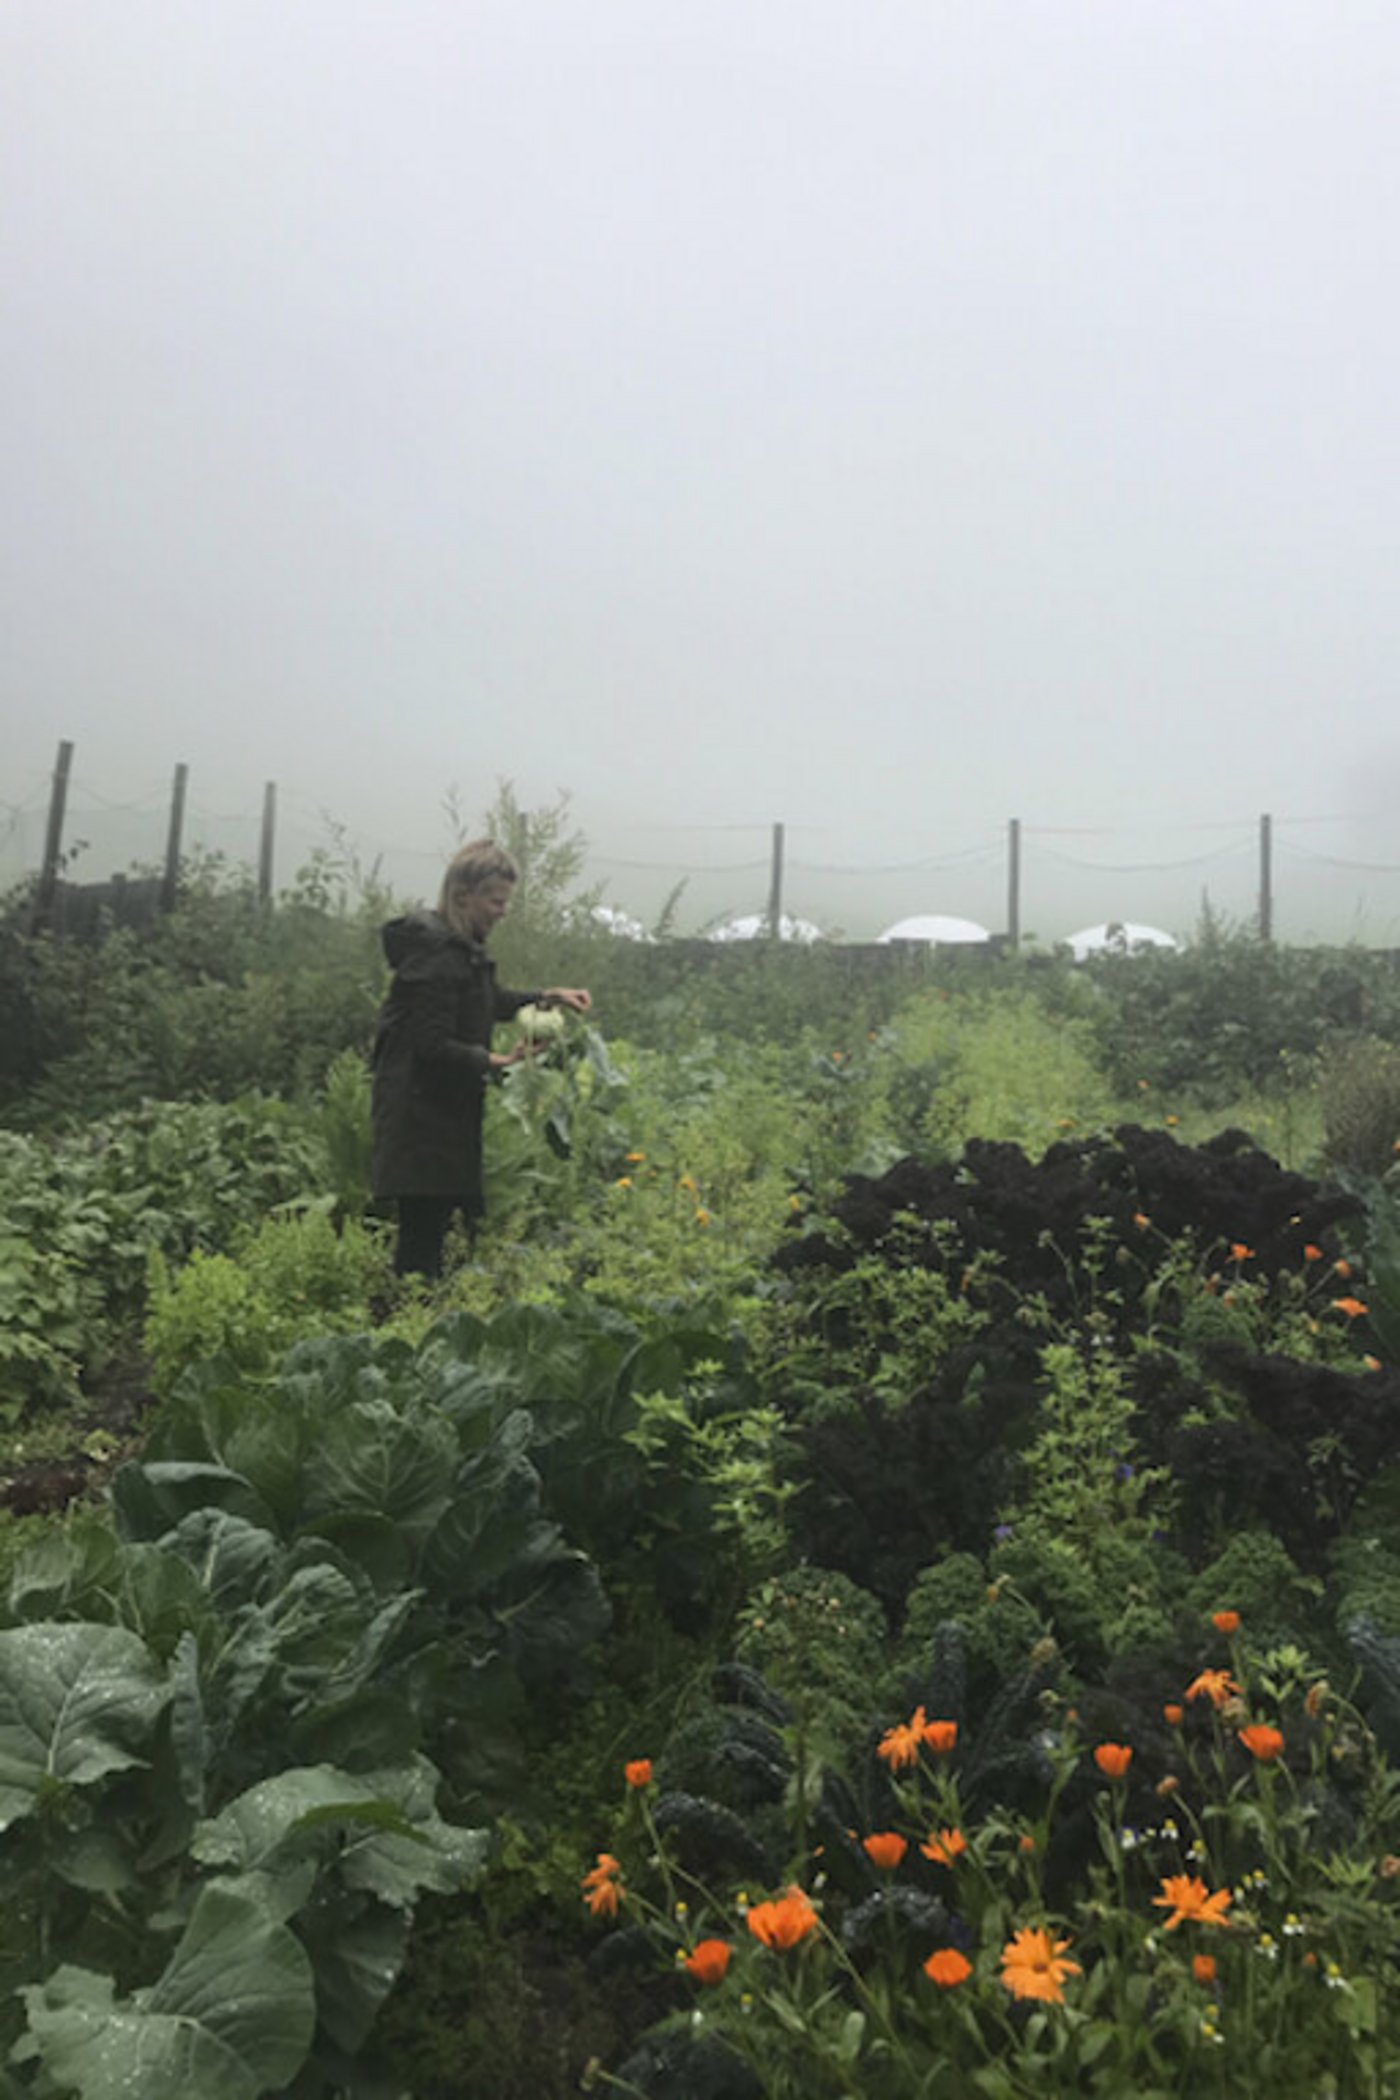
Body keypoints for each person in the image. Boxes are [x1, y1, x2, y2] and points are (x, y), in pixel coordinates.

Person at [370, 839, 592, 1278]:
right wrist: (496, 1060)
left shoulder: (460, 950)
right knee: (425, 1241)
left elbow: (489, 1001)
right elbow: (430, 1045)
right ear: (462, 897)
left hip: (443, 1113)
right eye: (495, 901)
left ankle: (425, 1324)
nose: (502, 911)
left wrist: (549, 996)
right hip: (419, 1120)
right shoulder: (434, 959)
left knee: (455, 1228)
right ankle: (400, 1333)